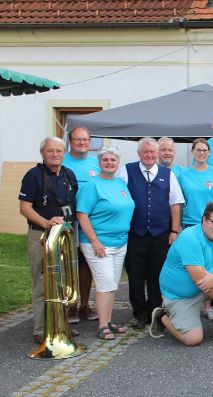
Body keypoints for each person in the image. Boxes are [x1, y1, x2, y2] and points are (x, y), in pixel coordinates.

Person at [152, 201, 213, 346]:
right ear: (204, 220)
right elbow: (200, 280)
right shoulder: (190, 237)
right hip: (180, 295)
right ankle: (162, 316)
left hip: (207, 284)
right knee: (193, 339)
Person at [117, 137, 184, 329]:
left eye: (152, 152)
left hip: (160, 234)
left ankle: (156, 312)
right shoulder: (126, 171)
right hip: (135, 233)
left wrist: (174, 230)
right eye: (144, 152)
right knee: (136, 275)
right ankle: (139, 313)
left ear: (157, 153)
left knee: (157, 275)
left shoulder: (167, 174)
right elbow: (119, 198)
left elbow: (175, 204)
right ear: (139, 154)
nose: (149, 155)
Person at [19, 137, 79, 343]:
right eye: (51, 151)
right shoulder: (33, 175)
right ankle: (40, 329)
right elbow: (24, 208)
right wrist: (47, 223)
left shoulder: (69, 175)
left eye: (59, 151)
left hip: (64, 235)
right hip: (41, 234)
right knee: (42, 283)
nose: (55, 154)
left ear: (64, 153)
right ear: (42, 153)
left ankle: (61, 326)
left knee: (64, 283)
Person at [76, 147, 134, 340]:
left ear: (118, 163)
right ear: (99, 163)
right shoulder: (92, 185)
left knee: (112, 284)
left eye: (113, 160)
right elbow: (82, 214)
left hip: (120, 243)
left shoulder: (120, 183)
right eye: (106, 160)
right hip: (99, 244)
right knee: (105, 283)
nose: (110, 163)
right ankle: (102, 326)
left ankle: (108, 320)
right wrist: (94, 241)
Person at [63, 126, 100, 323]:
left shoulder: (96, 163)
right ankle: (70, 305)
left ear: (90, 142)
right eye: (77, 139)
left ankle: (85, 305)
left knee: (86, 264)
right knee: (69, 263)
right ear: (70, 142)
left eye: (85, 139)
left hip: (91, 222)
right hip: (69, 222)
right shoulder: (62, 161)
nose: (82, 143)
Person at [180, 138, 213, 228]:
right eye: (198, 150)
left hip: (211, 223)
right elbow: (179, 204)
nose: (201, 153)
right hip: (189, 223)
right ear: (192, 152)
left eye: (204, 150)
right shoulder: (183, 176)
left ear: (209, 152)